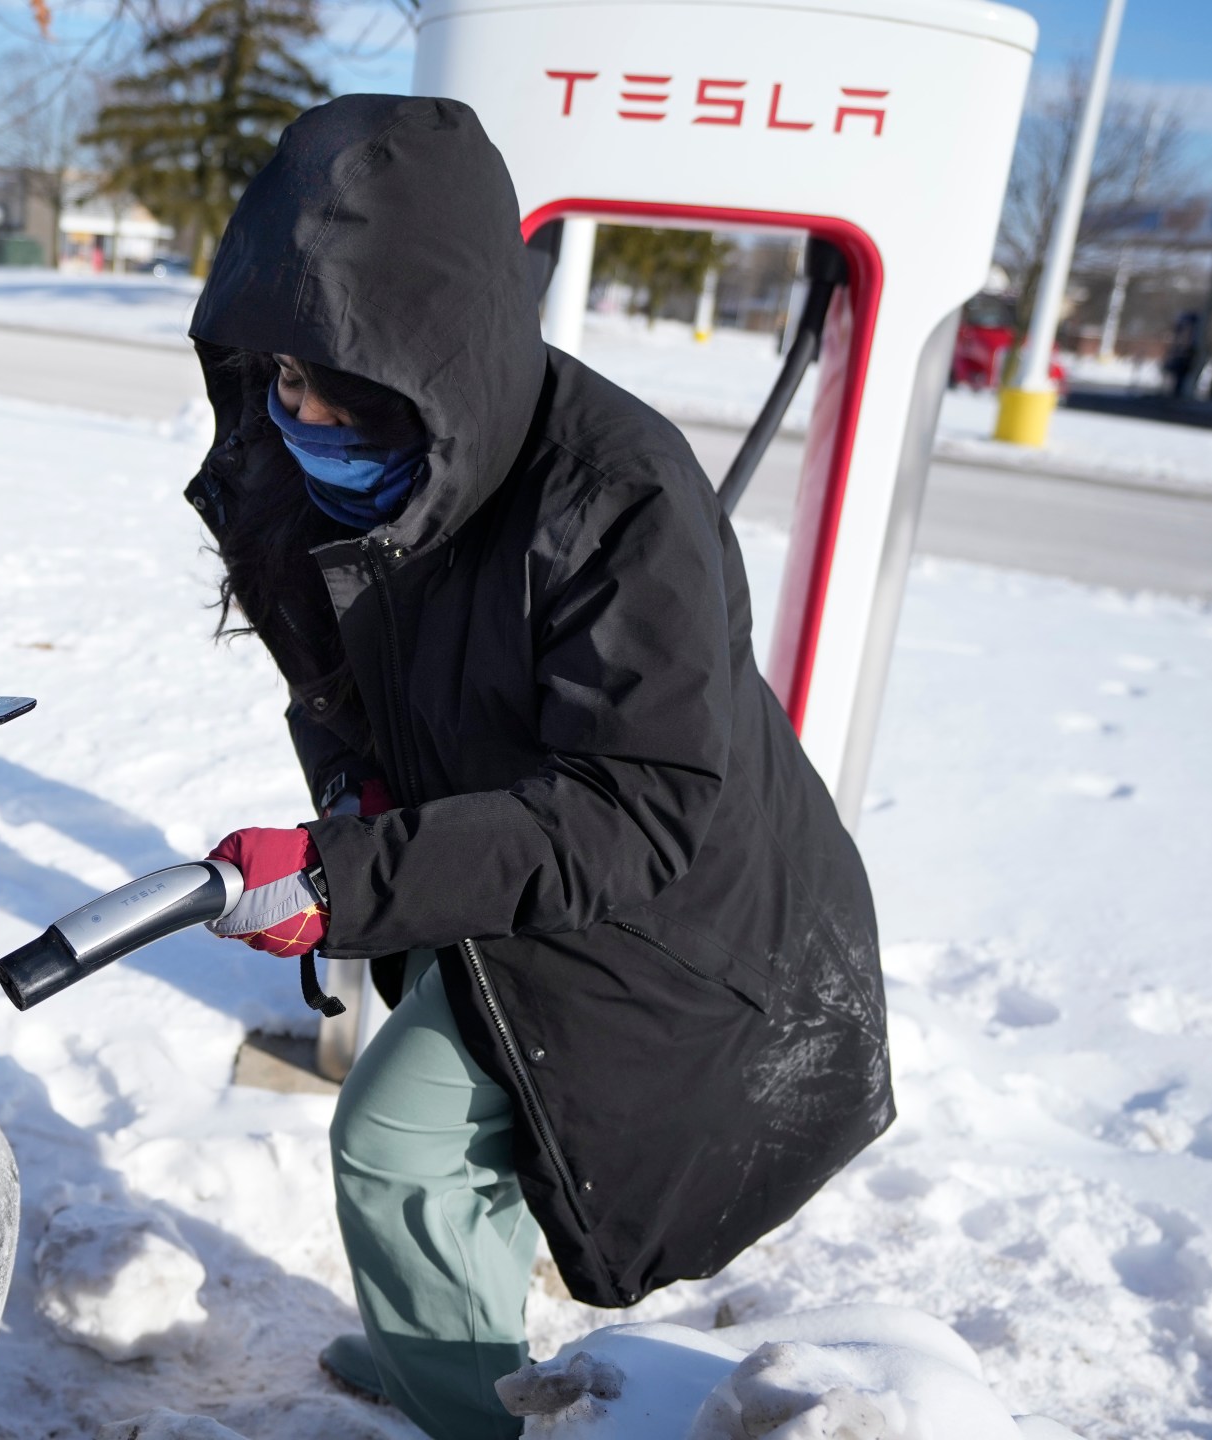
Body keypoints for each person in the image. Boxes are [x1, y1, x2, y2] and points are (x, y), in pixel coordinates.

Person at [183, 96, 893, 1439]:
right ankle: (448, 1345)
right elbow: (332, 688)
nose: (305, 414)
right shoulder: (311, 476)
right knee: (453, 1162)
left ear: (441, 356)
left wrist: (348, 879)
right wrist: (358, 802)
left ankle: (474, 1415)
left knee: (400, 1148)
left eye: (345, 385)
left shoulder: (618, 498)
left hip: (666, 925)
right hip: (499, 872)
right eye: (284, 376)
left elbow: (643, 808)